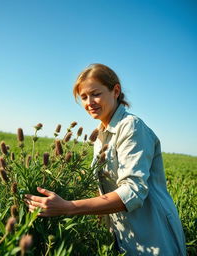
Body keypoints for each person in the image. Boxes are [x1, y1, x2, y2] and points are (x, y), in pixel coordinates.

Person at [24, 63, 186, 255]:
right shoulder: (101, 135)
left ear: (115, 91)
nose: (89, 102)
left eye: (95, 93)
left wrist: (67, 207)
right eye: (83, 97)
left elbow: (133, 191)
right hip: (124, 235)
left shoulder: (131, 127)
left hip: (152, 235)